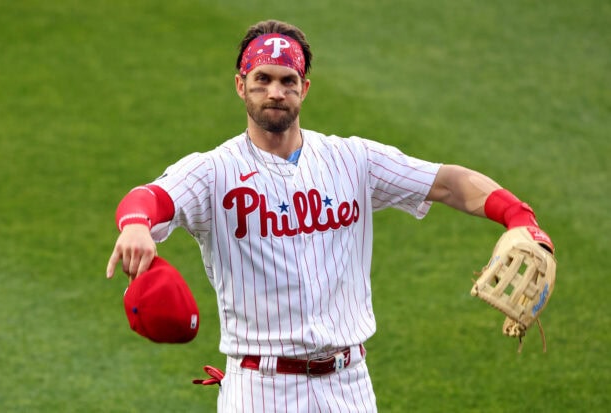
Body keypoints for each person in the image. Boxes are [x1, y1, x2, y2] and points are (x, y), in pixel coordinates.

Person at [106, 19, 553, 412]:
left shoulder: (352, 160)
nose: (276, 92)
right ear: (241, 84)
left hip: (350, 384)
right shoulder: (212, 171)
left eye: (288, 80)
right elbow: (149, 197)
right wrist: (136, 225)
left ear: (305, 87)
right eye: (262, 79)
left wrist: (520, 217)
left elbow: (447, 182)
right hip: (261, 389)